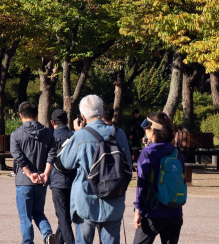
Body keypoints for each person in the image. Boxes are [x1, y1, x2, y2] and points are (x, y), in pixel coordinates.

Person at [59, 95, 133, 244]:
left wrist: (77, 132)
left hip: (85, 200)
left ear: (83, 116)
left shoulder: (80, 135)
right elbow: (129, 167)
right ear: (102, 111)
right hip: (114, 199)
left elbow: (64, 163)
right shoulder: (119, 133)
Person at [132, 112, 184, 244]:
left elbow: (142, 185)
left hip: (153, 213)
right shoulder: (176, 153)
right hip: (175, 211)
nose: (145, 131)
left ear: (153, 131)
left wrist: (138, 210)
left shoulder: (147, 153)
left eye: (146, 129)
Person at [10, 101, 56, 244]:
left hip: (24, 181)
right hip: (42, 180)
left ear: (20, 115)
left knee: (25, 217)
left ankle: (28, 242)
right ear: (37, 114)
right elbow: (52, 154)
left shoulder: (16, 134)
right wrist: (46, 173)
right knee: (38, 212)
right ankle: (47, 234)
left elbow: (18, 157)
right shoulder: (48, 133)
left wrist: (30, 174)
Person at [49, 109, 75, 244]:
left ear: (52, 122)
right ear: (67, 121)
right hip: (73, 180)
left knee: (63, 217)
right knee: (67, 216)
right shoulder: (74, 136)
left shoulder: (50, 138)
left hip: (57, 181)